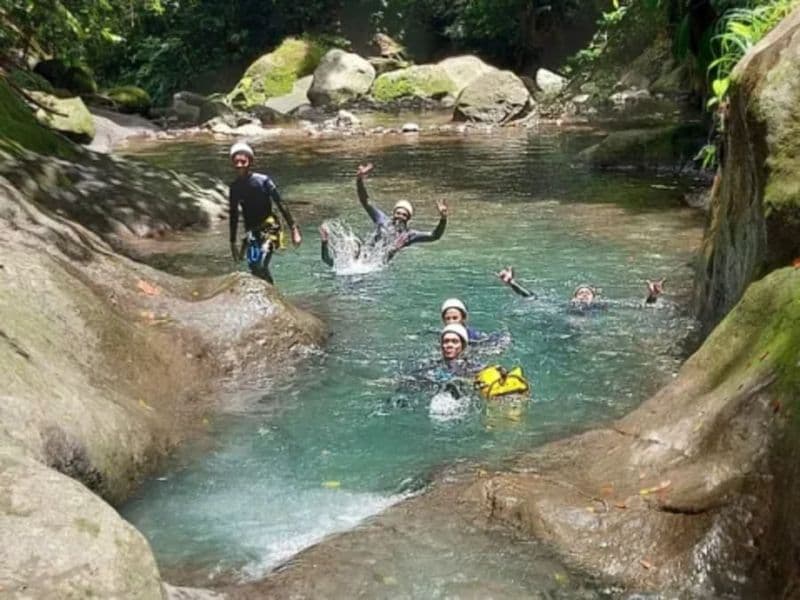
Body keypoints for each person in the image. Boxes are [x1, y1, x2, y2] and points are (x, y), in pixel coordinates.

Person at [228, 142, 302, 284]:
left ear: (250, 162)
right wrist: (232, 243)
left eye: (243, 161)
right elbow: (234, 215)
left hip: (269, 228)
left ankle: (272, 296)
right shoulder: (235, 187)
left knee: (261, 264)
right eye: (236, 162)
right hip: (252, 232)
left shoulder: (263, 181)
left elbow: (280, 204)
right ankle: (269, 292)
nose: (239, 165)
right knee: (254, 268)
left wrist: (294, 229)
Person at [356, 163, 447, 260]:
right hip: (365, 255)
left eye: (404, 215)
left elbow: (434, 236)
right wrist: (359, 180)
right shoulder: (382, 220)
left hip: (377, 264)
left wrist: (443, 218)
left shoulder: (409, 235)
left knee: (393, 248)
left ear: (408, 218)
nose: (400, 216)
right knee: (353, 242)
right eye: (398, 213)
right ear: (393, 214)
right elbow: (365, 202)